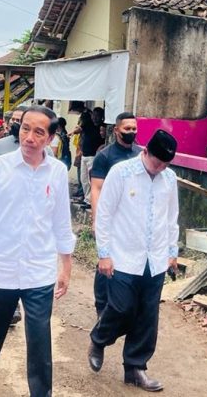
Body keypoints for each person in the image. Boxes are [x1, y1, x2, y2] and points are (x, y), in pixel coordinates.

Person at [0, 106, 74, 397]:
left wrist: (66, 265)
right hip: (0, 271)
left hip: (39, 271)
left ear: (51, 138)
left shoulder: (58, 172)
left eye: (39, 132)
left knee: (40, 340)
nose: (29, 137)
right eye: (26, 128)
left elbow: (62, 221)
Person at [88, 130, 178, 392]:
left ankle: (135, 368)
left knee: (148, 315)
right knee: (122, 307)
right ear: (145, 152)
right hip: (123, 255)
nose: (160, 168)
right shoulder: (121, 173)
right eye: (157, 162)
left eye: (165, 165)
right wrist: (103, 253)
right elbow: (104, 214)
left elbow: (172, 217)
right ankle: (99, 339)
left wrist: (172, 252)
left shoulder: (169, 178)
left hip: (156, 257)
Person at [89, 112, 139, 315]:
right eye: (127, 129)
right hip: (110, 218)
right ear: (116, 130)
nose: (131, 132)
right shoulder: (105, 156)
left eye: (134, 129)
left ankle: (125, 306)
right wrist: (97, 219)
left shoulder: (140, 155)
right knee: (106, 260)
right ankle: (102, 305)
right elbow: (96, 189)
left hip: (131, 220)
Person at [75, 111, 104, 203]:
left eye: (97, 115)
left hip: (93, 156)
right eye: (93, 115)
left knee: (91, 179)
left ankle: (93, 200)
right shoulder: (88, 124)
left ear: (101, 116)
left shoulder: (102, 127)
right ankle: (87, 199)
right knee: (83, 179)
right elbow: (80, 128)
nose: (94, 117)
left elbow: (104, 140)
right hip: (84, 155)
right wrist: (73, 132)